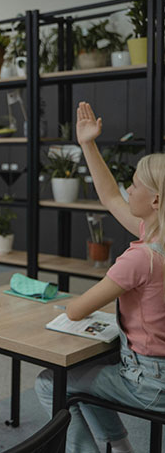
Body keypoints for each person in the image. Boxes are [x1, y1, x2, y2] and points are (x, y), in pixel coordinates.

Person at [34, 102, 165, 453]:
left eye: (135, 185)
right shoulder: (157, 238)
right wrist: (88, 144)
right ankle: (121, 449)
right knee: (84, 378)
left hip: (150, 383)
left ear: (155, 200)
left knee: (53, 383)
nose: (129, 190)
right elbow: (109, 196)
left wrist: (67, 303)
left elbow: (76, 311)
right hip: (160, 372)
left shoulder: (141, 258)